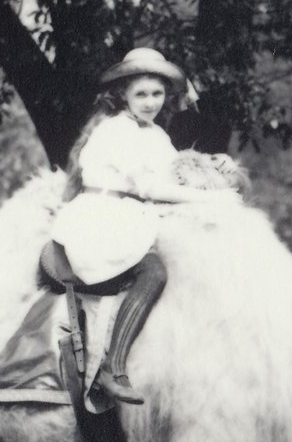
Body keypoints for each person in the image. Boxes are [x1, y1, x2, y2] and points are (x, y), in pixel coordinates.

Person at [50, 47, 238, 405]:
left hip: (132, 217)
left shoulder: (153, 134)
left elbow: (175, 174)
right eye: (141, 94)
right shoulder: (115, 130)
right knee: (153, 272)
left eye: (157, 94)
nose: (150, 102)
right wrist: (212, 200)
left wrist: (217, 164)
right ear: (123, 95)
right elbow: (150, 187)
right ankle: (112, 368)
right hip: (101, 216)